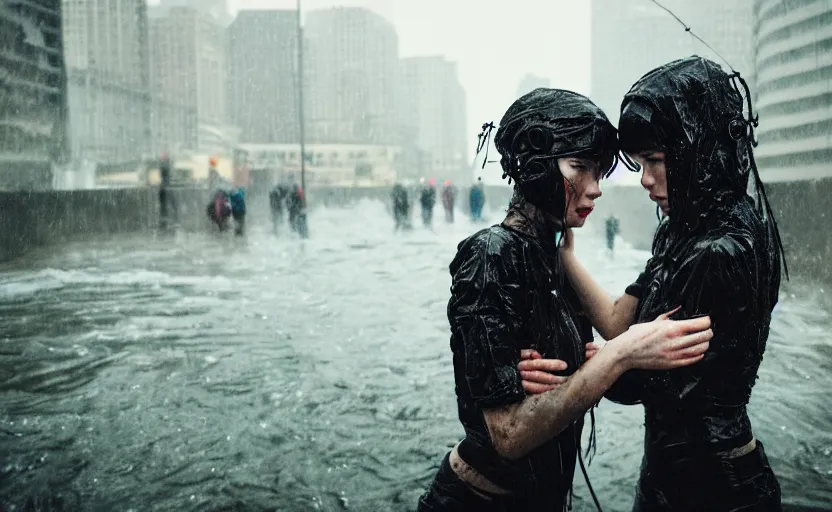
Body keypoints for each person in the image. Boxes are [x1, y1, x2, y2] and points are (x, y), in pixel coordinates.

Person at [417, 88, 714, 511]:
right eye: (580, 168)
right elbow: (509, 435)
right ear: (535, 165)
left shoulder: (551, 250)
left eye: (600, 172)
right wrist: (619, 357)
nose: (595, 189)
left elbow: (614, 326)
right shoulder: (490, 254)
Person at [522, 57, 786, 511]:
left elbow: (651, 385)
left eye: (657, 161)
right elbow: (616, 321)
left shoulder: (722, 250)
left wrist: (597, 362)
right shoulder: (683, 231)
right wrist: (566, 258)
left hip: (715, 489)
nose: (644, 179)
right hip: (671, 476)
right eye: (641, 162)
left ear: (700, 149)